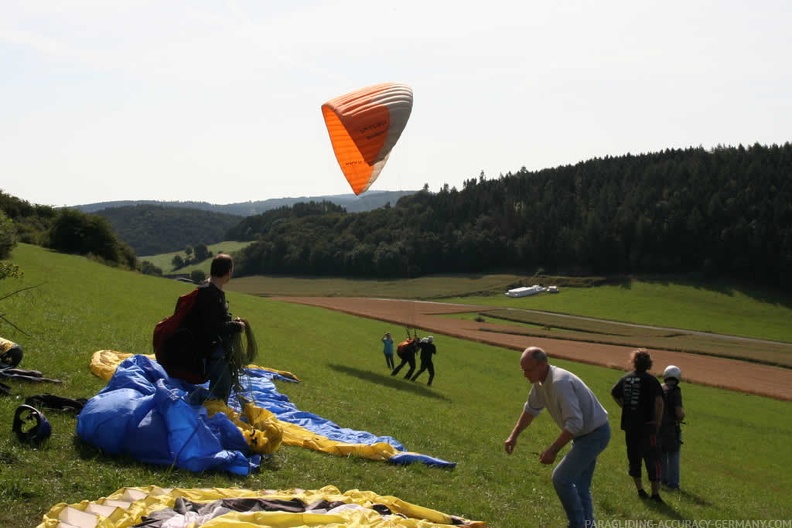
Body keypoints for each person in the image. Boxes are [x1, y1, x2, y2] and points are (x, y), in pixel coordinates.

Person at [504, 347, 611, 528]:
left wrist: (552, 450)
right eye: (522, 369)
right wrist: (514, 435)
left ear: (543, 365)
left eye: (528, 369)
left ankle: (577, 524)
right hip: (585, 435)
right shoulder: (539, 383)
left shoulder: (560, 383)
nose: (524, 374)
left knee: (561, 478)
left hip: (594, 434)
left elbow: (575, 423)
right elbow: (531, 410)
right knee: (580, 485)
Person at [182, 253, 246, 403]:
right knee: (220, 394)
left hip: (210, 349)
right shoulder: (209, 294)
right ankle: (207, 413)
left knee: (223, 390)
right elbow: (214, 328)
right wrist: (238, 326)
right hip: (211, 351)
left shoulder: (209, 290)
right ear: (229, 272)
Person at [611, 349, 665, 503]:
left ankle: (640, 490)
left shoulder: (626, 378)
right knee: (653, 459)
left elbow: (614, 393)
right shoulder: (652, 380)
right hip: (648, 427)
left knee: (634, 457)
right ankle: (655, 494)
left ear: (633, 362)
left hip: (630, 426)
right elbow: (659, 402)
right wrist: (657, 422)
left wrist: (625, 407)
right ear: (649, 363)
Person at [660, 365, 685, 491]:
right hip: (671, 429)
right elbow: (679, 413)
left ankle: (662, 480)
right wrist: (682, 416)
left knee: (662, 454)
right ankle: (673, 484)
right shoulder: (676, 391)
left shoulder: (660, 388)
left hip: (659, 427)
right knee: (673, 455)